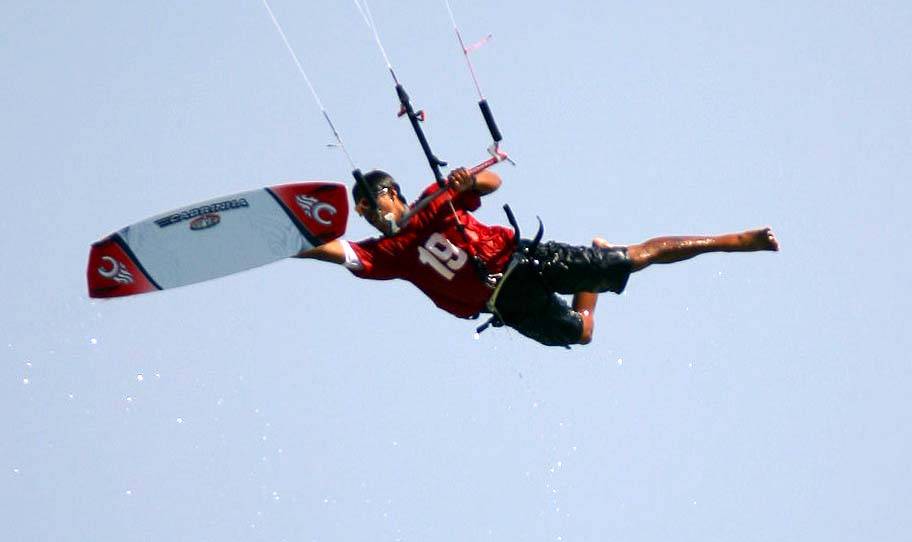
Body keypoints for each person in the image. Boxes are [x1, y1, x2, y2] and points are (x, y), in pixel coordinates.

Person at [300, 166, 778, 347]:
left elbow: (493, 181)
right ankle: (596, 263)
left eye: (372, 205)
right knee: (583, 333)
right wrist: (292, 245)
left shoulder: (433, 198)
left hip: (523, 261)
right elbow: (337, 251)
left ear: (392, 192)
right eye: (362, 214)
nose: (369, 217)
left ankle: (735, 239)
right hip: (507, 305)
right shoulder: (385, 254)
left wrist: (467, 182)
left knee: (636, 258)